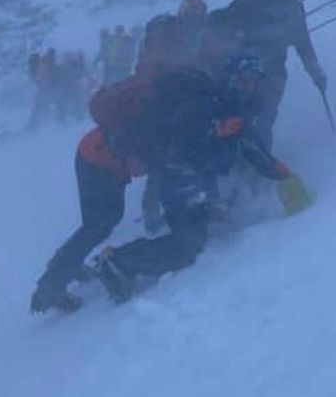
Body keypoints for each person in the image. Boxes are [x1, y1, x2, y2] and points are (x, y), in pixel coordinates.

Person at [94, 55, 311, 304]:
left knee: (216, 220)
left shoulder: (231, 106)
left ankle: (195, 216)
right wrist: (214, 131)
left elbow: (252, 147)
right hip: (179, 178)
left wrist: (281, 173)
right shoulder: (205, 103)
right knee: (188, 249)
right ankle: (117, 262)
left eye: (252, 82)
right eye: (242, 79)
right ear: (231, 77)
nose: (246, 86)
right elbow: (180, 144)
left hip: (198, 178)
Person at [30, 68, 221, 313]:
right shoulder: (165, 117)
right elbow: (157, 162)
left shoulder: (164, 107)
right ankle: (51, 285)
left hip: (98, 154)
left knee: (100, 223)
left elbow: (156, 165)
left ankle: (66, 267)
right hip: (98, 160)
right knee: (99, 224)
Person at [224, 0, 326, 148]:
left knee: (266, 116)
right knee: (237, 113)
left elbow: (304, 44)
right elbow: (230, 17)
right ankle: (236, 157)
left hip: (274, 71)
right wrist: (238, 34)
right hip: (242, 69)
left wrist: (316, 73)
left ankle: (261, 159)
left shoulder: (294, 7)